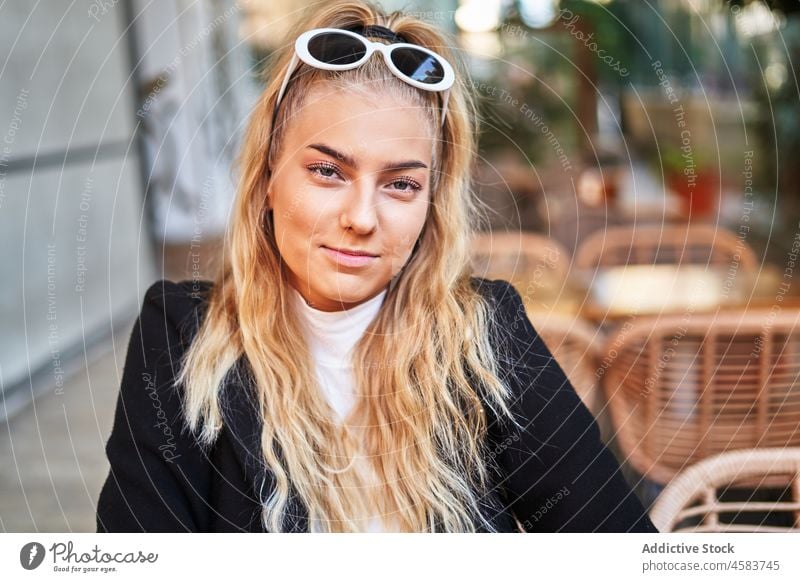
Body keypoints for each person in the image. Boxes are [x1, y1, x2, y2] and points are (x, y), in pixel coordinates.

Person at [96, 0, 658, 533]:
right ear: (267, 179)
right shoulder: (179, 338)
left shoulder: (484, 334)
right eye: (327, 172)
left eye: (401, 184)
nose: (362, 218)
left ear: (431, 203)